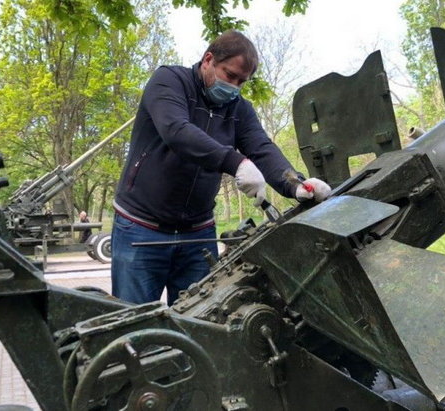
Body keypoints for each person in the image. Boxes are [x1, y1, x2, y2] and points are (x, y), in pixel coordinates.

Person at [111, 30, 331, 305]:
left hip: (197, 233)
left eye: (242, 81)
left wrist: (295, 184)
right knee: (133, 323)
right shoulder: (169, 81)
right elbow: (176, 131)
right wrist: (235, 162)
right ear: (208, 60)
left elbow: (262, 148)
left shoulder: (239, 109)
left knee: (201, 325)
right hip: (141, 227)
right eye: (230, 75)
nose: (235, 87)